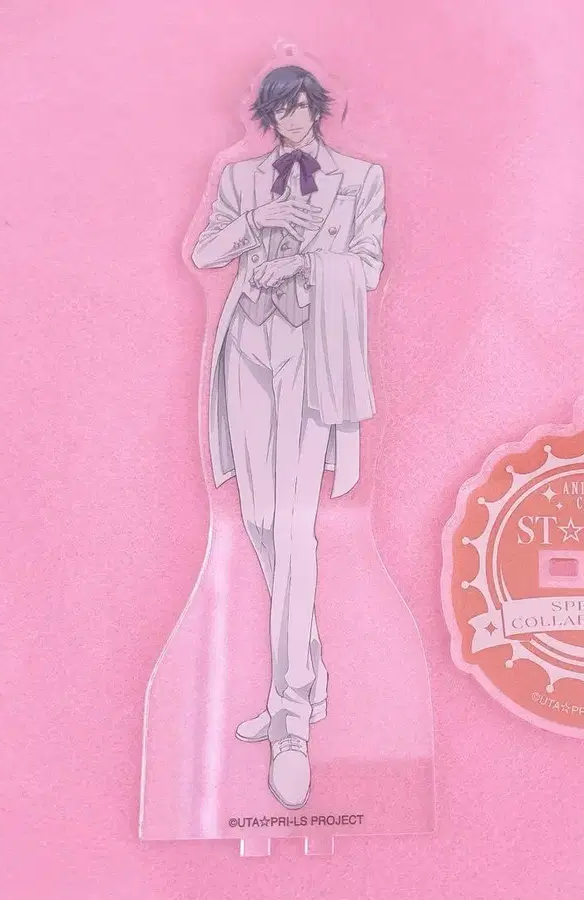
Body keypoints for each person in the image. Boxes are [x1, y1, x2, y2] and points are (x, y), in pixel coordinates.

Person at [191, 65, 385, 809]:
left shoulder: (360, 179)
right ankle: (310, 671)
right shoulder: (242, 179)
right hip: (247, 348)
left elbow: (368, 267)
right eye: (283, 109)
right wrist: (257, 223)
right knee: (261, 521)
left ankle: (292, 720)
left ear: (319, 110)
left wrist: (308, 260)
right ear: (269, 116)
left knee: (296, 526)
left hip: (312, 353)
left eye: (304, 107)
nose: (295, 119)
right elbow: (206, 254)